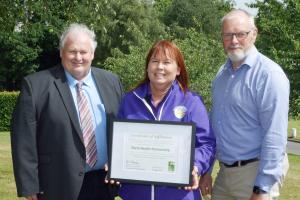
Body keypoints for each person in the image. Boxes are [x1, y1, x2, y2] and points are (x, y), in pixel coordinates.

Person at [11, 23, 123, 200]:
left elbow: (122, 126)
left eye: (84, 52)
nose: (78, 57)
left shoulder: (111, 81)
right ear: (61, 52)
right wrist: (29, 184)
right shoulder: (35, 86)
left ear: (92, 54)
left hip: (104, 183)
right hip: (57, 183)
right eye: (72, 51)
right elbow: (24, 139)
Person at [116, 40, 216, 200]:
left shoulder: (191, 102)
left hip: (180, 194)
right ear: (147, 67)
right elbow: (119, 143)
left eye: (166, 62)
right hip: (136, 194)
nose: (160, 67)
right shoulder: (129, 100)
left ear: (178, 69)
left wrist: (194, 166)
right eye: (154, 61)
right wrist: (115, 162)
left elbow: (207, 143)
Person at [209, 9, 290, 200]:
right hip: (224, 173)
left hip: (254, 173)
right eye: (228, 35)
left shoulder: (269, 76)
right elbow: (216, 126)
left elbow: (275, 135)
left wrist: (262, 188)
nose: (234, 40)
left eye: (240, 34)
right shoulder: (222, 74)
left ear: (254, 34)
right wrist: (207, 170)